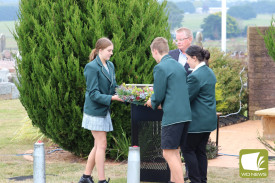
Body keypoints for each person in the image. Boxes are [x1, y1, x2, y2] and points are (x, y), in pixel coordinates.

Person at [145, 37, 192, 183]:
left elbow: (158, 95)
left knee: (167, 153)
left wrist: (150, 101)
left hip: (173, 116)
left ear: (155, 51)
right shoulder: (179, 65)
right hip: (185, 115)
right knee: (175, 151)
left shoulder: (160, 67)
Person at [78, 37, 123, 183]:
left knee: (98, 145)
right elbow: (93, 94)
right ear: (100, 50)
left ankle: (85, 177)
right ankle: (102, 180)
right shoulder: (91, 67)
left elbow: (114, 86)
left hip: (104, 110)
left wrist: (125, 93)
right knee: (102, 144)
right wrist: (112, 99)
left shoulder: (110, 65)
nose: (111, 53)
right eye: (109, 50)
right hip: (94, 111)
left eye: (112, 51)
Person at [181, 45, 217, 183]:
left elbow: (186, 98)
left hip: (196, 122)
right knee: (200, 151)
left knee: (188, 150)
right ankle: (202, 180)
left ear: (195, 58)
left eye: (188, 58)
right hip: (208, 121)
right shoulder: (209, 72)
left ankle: (195, 180)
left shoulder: (195, 76)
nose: (187, 62)